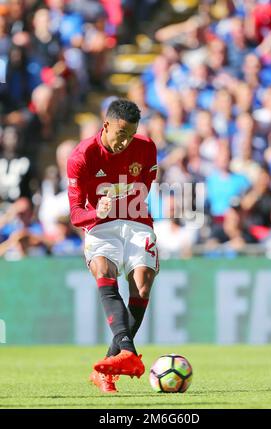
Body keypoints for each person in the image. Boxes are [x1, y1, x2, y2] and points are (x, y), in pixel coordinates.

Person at [67, 99, 159, 393]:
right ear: (105, 125)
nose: (126, 141)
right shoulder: (82, 156)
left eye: (131, 134)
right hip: (99, 225)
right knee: (104, 270)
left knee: (142, 285)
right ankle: (128, 351)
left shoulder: (146, 148)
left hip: (136, 221)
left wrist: (126, 207)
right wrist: (98, 212)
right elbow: (75, 214)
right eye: (121, 134)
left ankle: (115, 360)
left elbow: (144, 187)